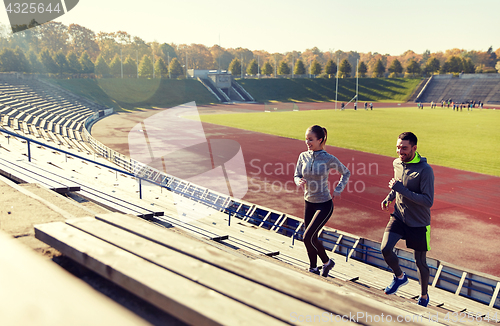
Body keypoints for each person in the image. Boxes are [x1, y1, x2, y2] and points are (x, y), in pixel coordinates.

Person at [381, 132, 434, 307]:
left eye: (404, 148)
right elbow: (398, 184)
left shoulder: (425, 170)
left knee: (420, 262)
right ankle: (399, 277)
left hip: (419, 222)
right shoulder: (397, 163)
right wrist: (389, 196)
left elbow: (428, 201)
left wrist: (400, 190)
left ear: (414, 148)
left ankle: (424, 296)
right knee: (385, 248)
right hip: (399, 215)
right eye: (398, 147)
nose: (400, 151)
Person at [294, 125, 351, 277]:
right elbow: (296, 174)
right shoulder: (303, 156)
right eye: (306, 139)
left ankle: (326, 262)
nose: (307, 142)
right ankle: (314, 267)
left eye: (311, 140)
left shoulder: (328, 158)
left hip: (324, 204)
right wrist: (298, 180)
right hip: (308, 202)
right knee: (310, 238)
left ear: (320, 140)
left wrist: (338, 189)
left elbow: (346, 172)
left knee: (308, 236)